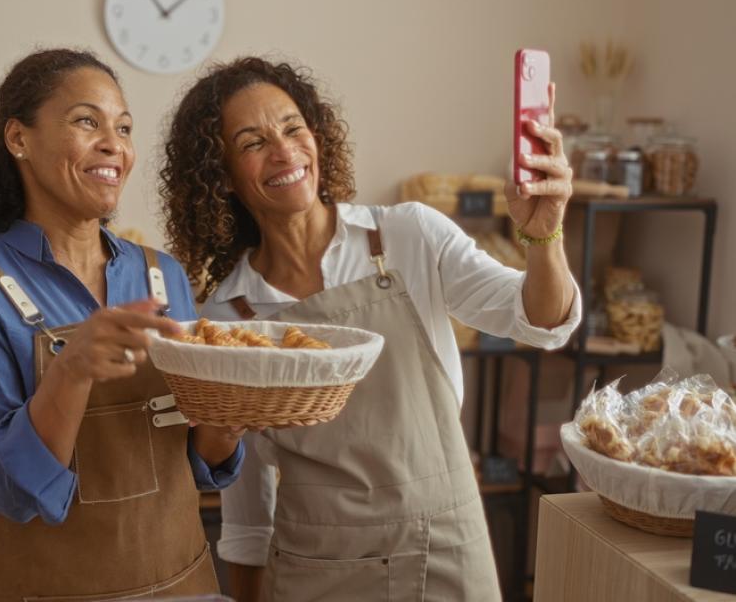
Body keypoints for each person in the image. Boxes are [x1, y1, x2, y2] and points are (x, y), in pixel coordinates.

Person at [158, 56, 581, 601]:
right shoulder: (229, 317)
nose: (284, 151)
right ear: (221, 175)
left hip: (443, 548)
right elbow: (248, 511)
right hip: (315, 566)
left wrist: (545, 237)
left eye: (292, 128)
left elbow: (542, 322)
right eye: (252, 143)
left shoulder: (408, 235)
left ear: (317, 134)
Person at [0, 48, 244, 601]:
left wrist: (231, 419)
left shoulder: (163, 276)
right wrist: (70, 371)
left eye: (123, 128)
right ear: (19, 139)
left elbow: (195, 462)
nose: (113, 144)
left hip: (183, 584)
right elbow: (4, 488)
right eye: (86, 122)